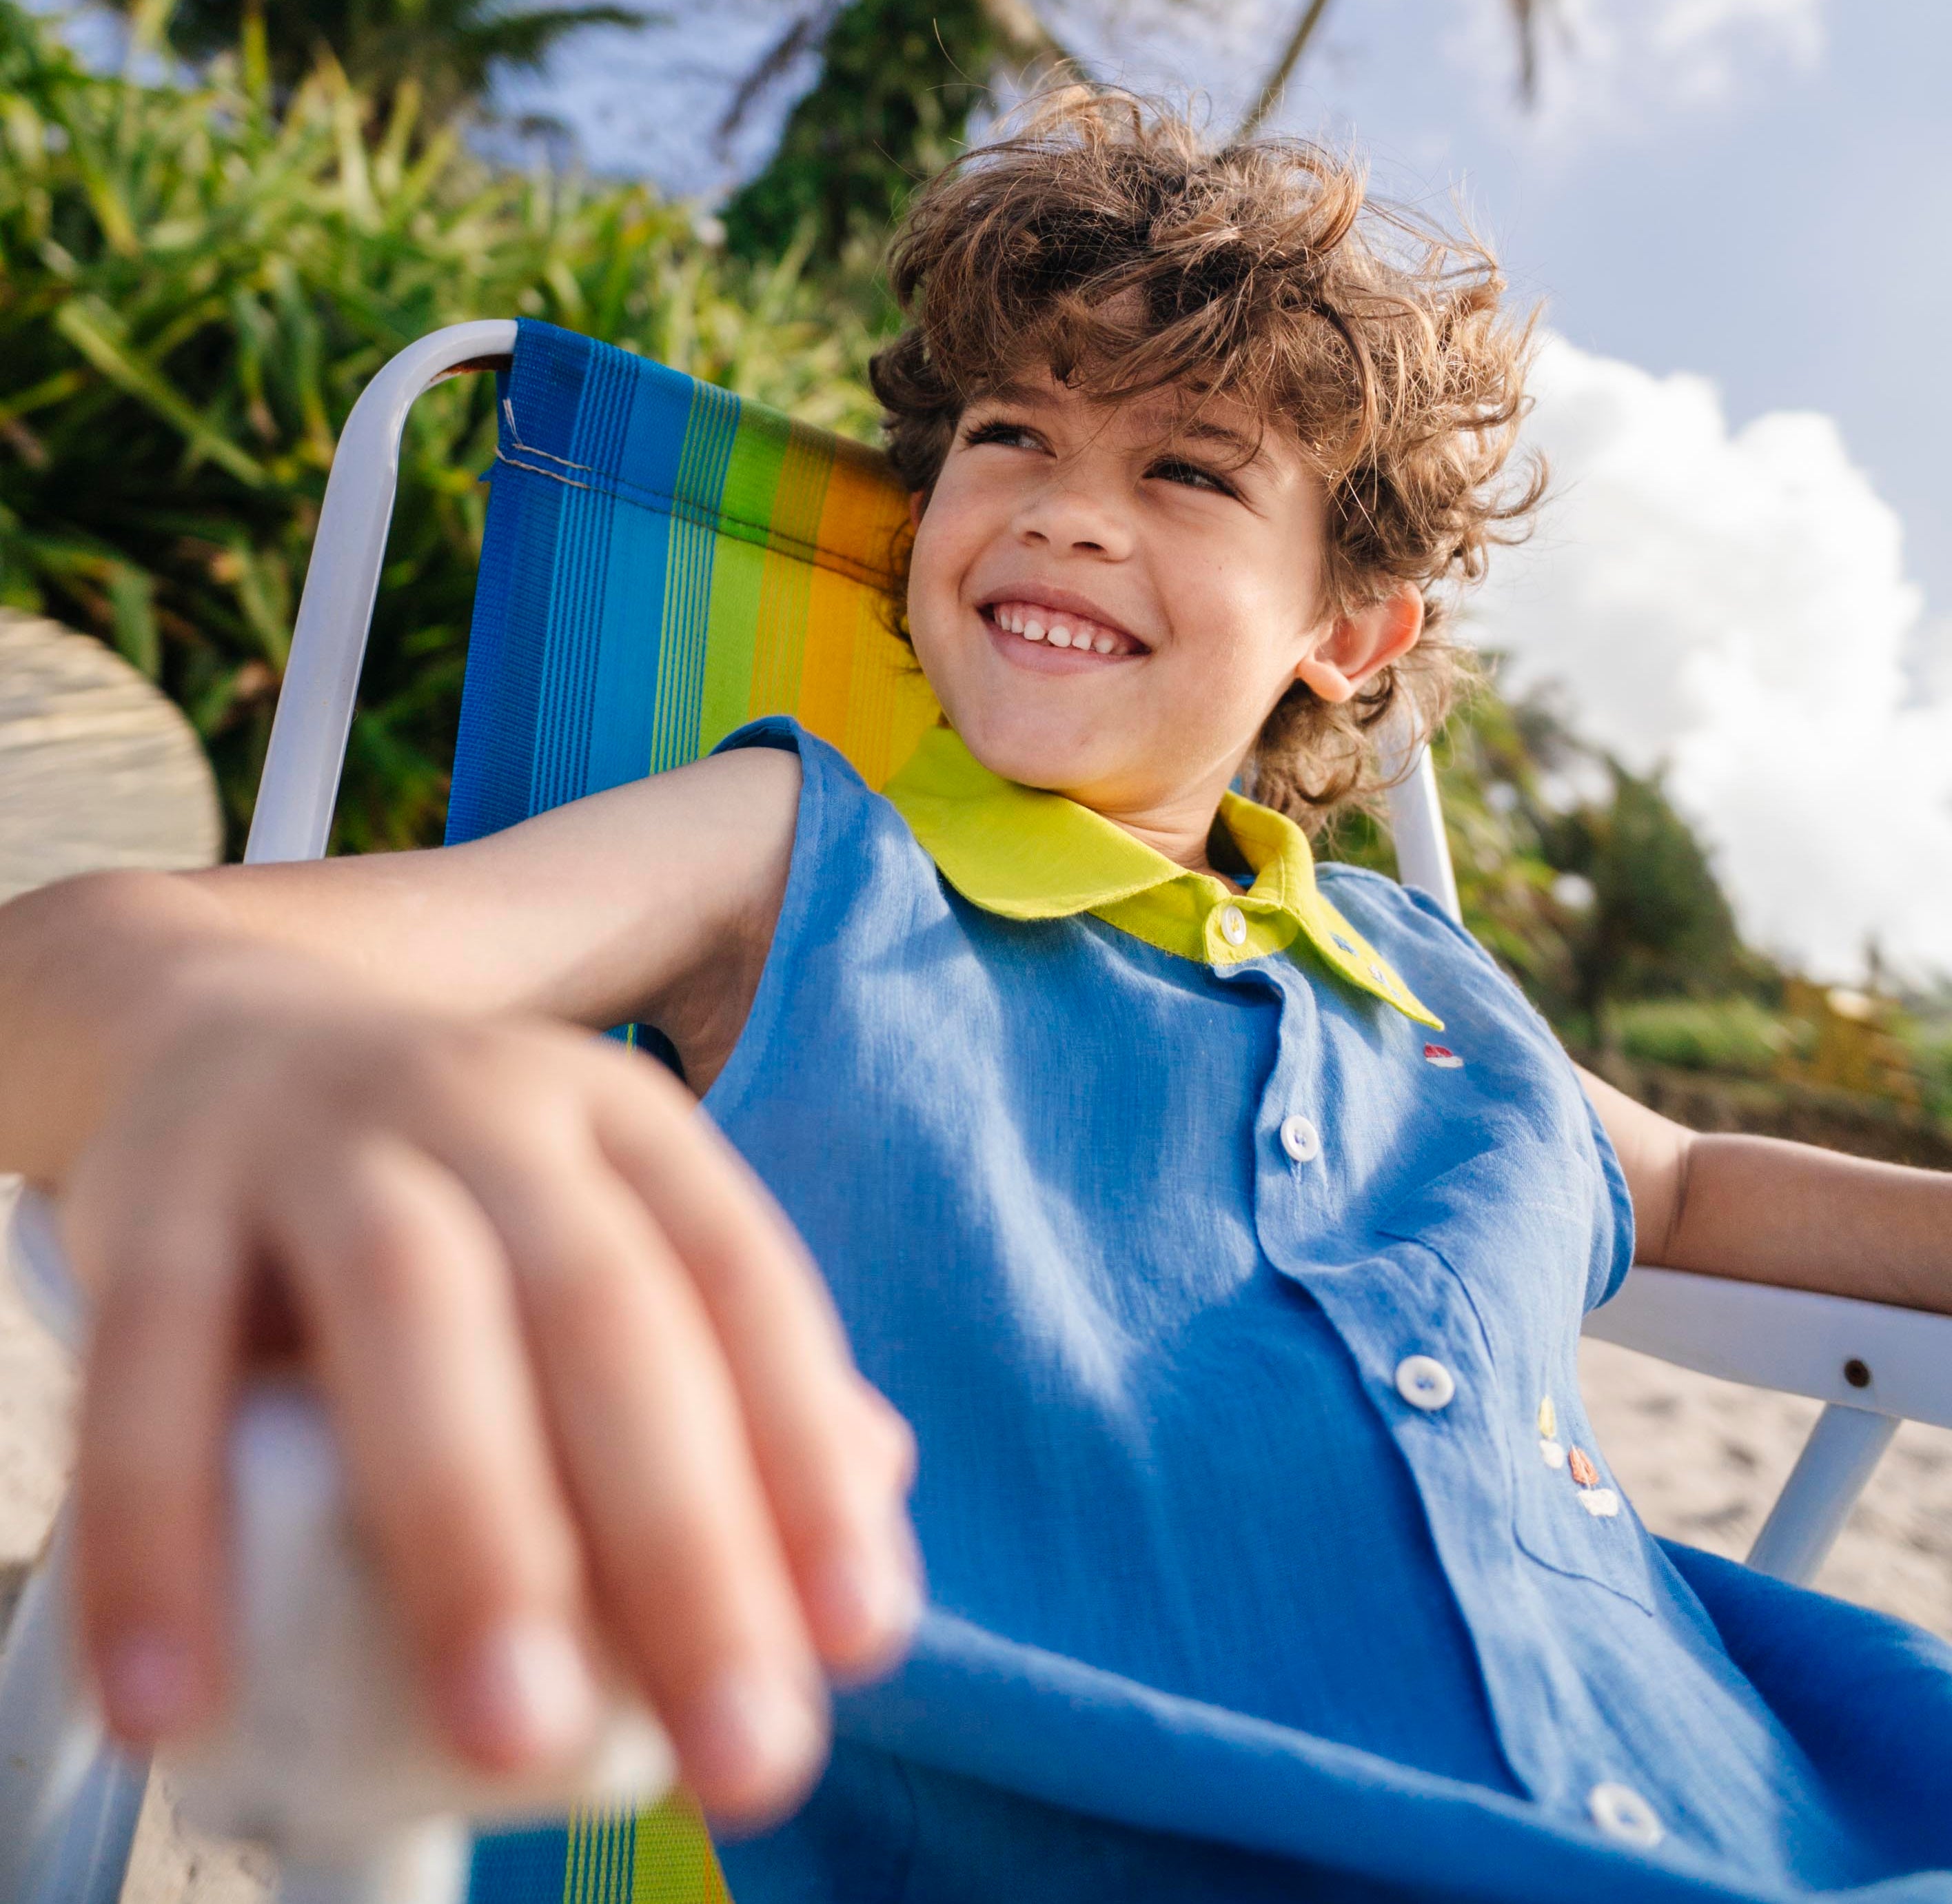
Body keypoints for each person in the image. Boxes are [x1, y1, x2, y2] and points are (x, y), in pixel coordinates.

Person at [3, 92, 1949, 1903]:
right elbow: (102, 968)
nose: (1068, 508)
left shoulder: (1419, 977)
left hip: (1798, 1803)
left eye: (1189, 469)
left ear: (1346, 634)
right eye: (1011, 435)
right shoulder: (800, 860)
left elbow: (1682, 1186)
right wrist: (238, 1055)